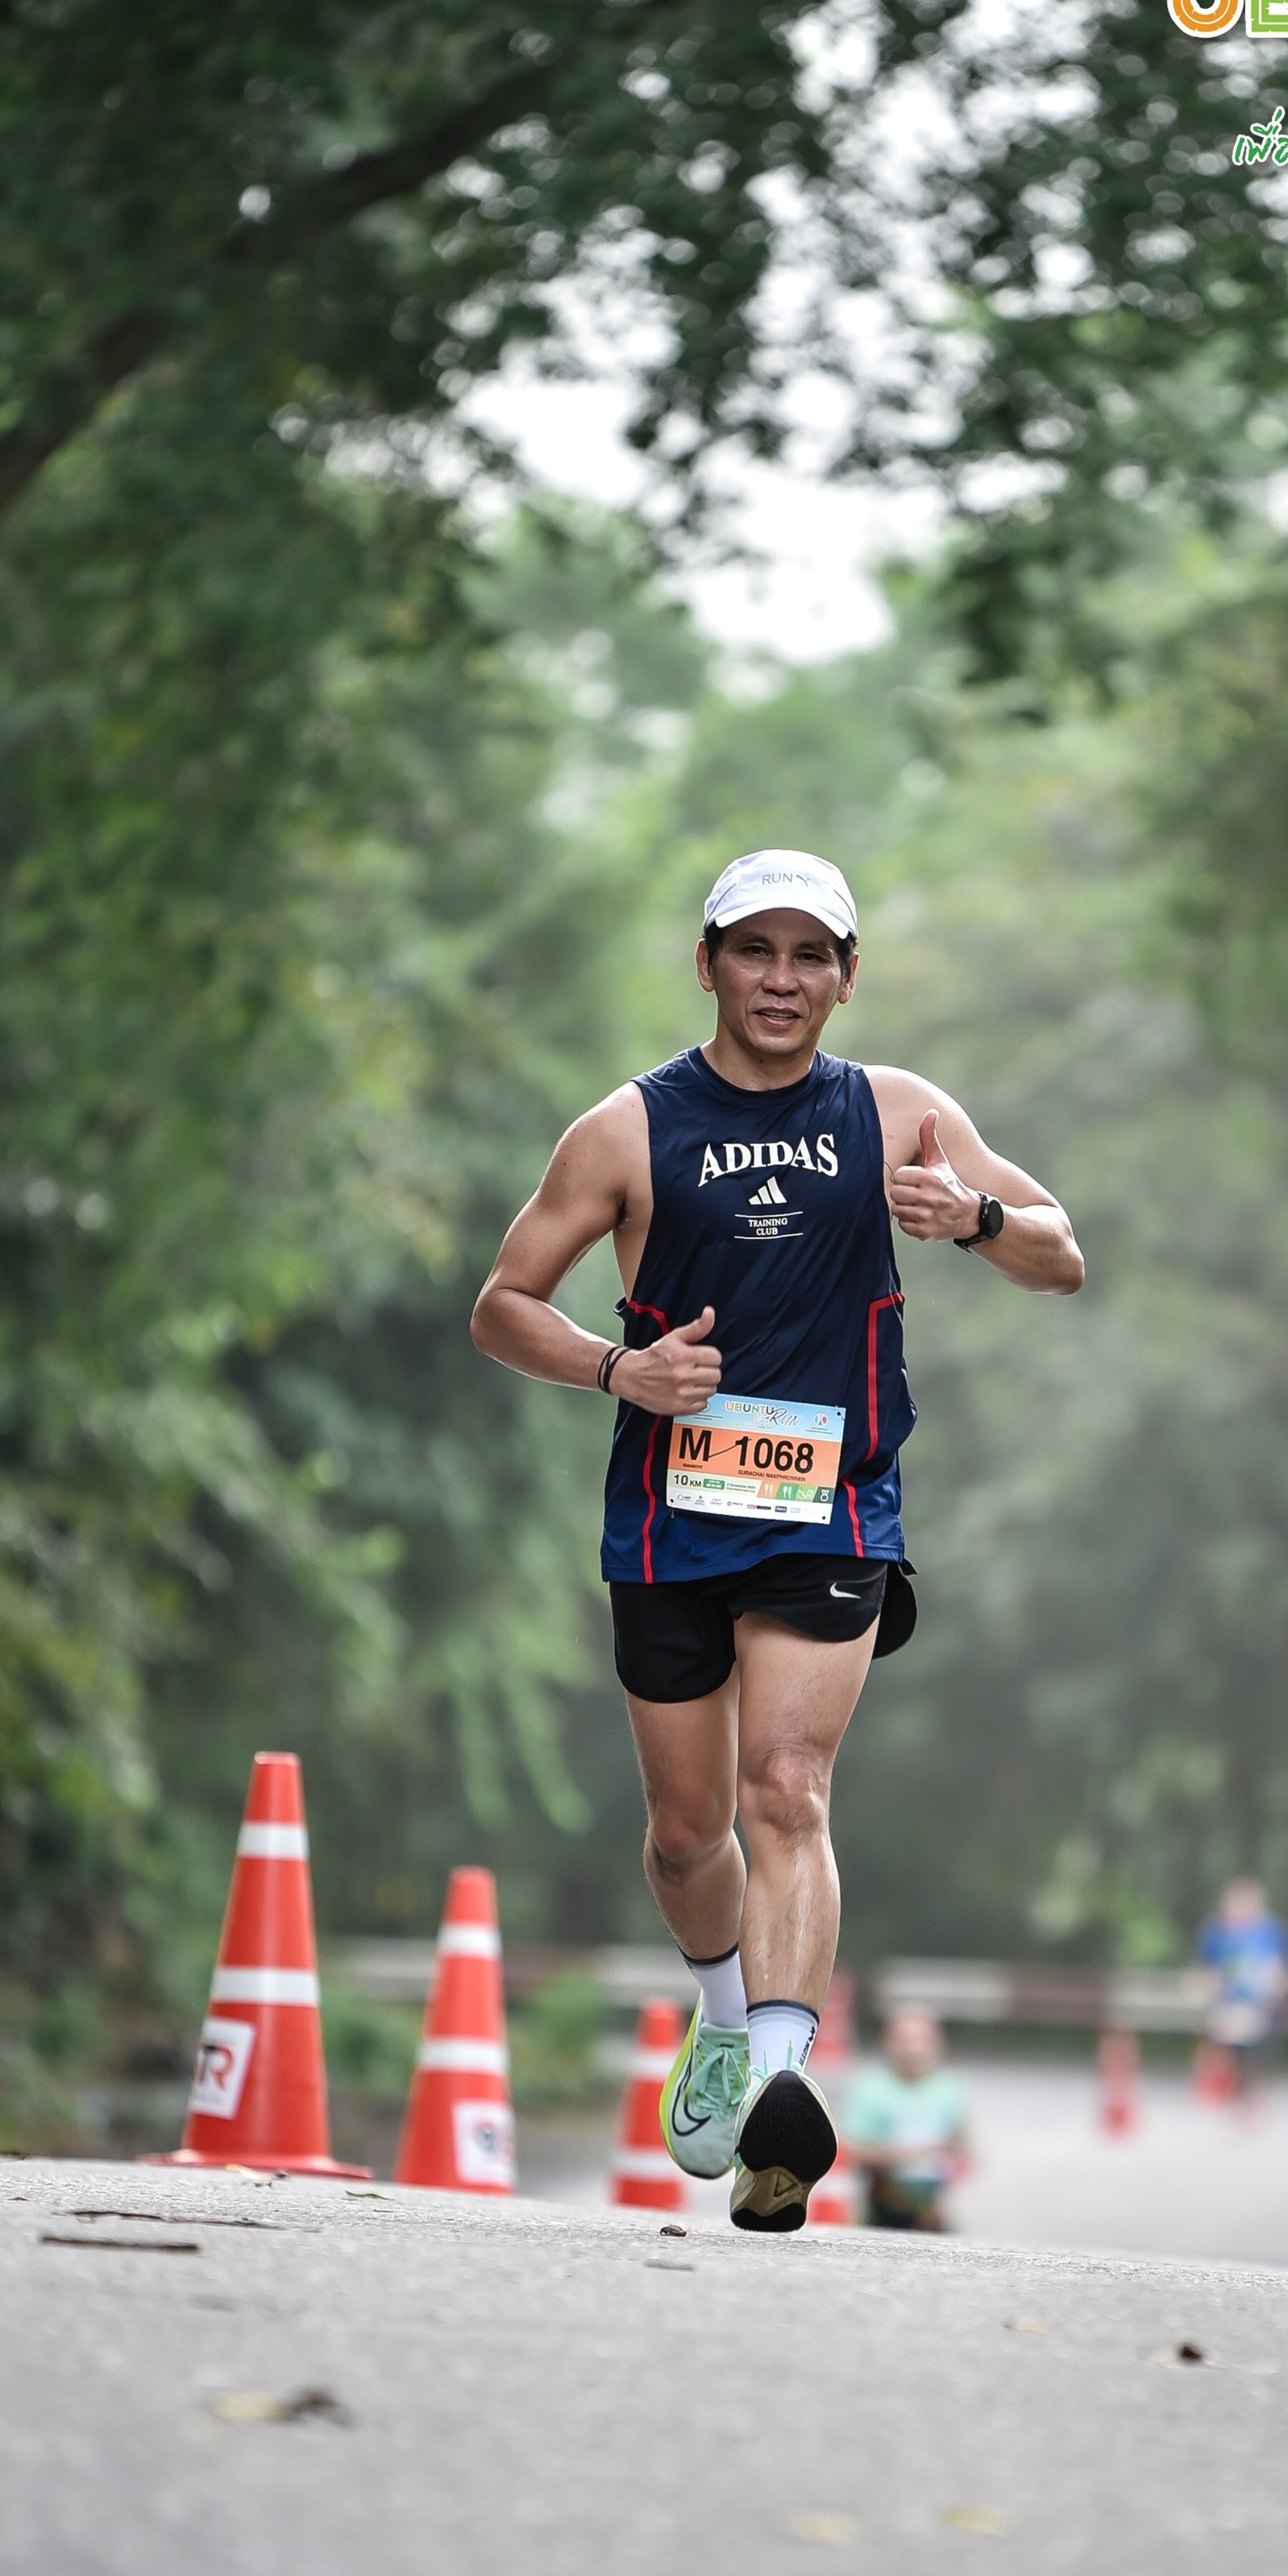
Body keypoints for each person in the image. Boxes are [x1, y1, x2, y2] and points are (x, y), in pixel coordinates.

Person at [469, 847, 1083, 2231]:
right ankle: (722, 2015)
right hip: (668, 1514)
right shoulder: (624, 1131)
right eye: (756, 950)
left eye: (812, 955)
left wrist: (975, 1219)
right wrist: (618, 1372)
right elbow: (502, 1304)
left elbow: (1061, 1252)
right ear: (709, 964)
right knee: (687, 1837)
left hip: (831, 1503)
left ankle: (779, 2093)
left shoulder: (898, 1113)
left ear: (846, 979)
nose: (782, 979)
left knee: (789, 1787)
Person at [844, 2004, 971, 2232]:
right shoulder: (871, 2089)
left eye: (922, 2039)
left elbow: (964, 2152)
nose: (913, 2048)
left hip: (930, 2212)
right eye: (904, 2039)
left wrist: (952, 2166)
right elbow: (850, 2150)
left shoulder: (947, 2089)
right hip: (881, 2209)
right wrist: (911, 2155)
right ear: (887, 2042)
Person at [1194, 1876, 1288, 2107]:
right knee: (1230, 2041)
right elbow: (1205, 1969)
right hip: (1228, 2003)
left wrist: (1278, 1989)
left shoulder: (1272, 1931)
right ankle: (1234, 2088)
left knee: (1259, 2043)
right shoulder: (1216, 1932)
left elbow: (1287, 1965)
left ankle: (1252, 2089)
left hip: (1263, 2003)